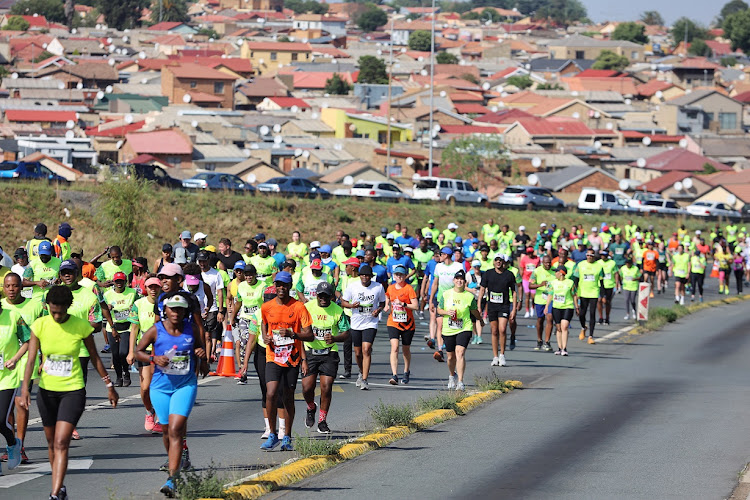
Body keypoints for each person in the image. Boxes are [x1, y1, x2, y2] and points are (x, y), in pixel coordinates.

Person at [19, 285, 118, 500]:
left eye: (60, 312)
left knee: (61, 441)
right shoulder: (40, 325)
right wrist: (26, 388)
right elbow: (31, 359)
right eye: (52, 311)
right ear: (48, 307)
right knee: (51, 442)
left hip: (73, 390)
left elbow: (95, 357)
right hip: (46, 392)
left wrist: (109, 385)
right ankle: (60, 487)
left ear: (68, 307)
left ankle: (54, 493)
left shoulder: (81, 326)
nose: (56, 315)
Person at [135, 293, 209, 497]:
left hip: (184, 386)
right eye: (172, 308)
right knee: (167, 432)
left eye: (180, 309)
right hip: (160, 388)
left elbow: (201, 354)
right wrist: (153, 358)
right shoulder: (155, 330)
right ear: (165, 311)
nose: (176, 312)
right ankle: (174, 463)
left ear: (185, 312)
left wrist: (202, 357)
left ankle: (172, 479)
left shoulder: (192, 329)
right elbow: (137, 352)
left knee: (176, 429)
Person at [260, 272, 314, 451]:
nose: (281, 288)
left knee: (288, 396)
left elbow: (309, 334)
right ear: (274, 286)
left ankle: (287, 437)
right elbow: (264, 322)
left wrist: (293, 334)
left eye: (284, 285)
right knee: (271, 393)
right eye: (278, 285)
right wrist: (265, 337)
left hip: (292, 358)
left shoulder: (299, 307)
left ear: (289, 286)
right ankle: (273, 434)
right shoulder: (267, 306)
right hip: (273, 356)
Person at [2, 272, 43, 464]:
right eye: (8, 286)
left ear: (21, 287)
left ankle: (21, 444)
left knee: (20, 403)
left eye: (15, 286)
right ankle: (12, 445)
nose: (11, 290)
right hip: (4, 367)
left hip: (26, 362)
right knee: (6, 411)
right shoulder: (1, 307)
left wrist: (45, 358)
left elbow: (42, 332)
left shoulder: (34, 306)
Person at [302, 282, 350, 434]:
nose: (323, 298)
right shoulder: (307, 307)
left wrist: (334, 338)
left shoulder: (337, 311)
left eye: (326, 296)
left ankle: (322, 420)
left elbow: (346, 333)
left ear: (331, 296)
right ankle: (311, 407)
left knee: (326, 386)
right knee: (307, 387)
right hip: (310, 351)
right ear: (316, 295)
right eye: (320, 295)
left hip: (329, 353)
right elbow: (298, 327)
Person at [0, 284, 30, 475]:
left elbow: (28, 340)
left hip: (7, 377)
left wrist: (15, 358)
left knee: (0, 421)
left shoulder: (12, 316)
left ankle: (13, 444)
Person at [127, 276, 163, 434]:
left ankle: (162, 416)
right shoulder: (138, 304)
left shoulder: (164, 303)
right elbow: (134, 329)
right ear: (145, 288)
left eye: (156, 287)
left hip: (161, 350)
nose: (153, 290)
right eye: (150, 287)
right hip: (144, 349)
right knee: (145, 387)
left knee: (160, 386)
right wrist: (131, 351)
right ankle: (150, 411)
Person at [437, 270, 483, 390]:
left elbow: (474, 311)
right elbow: (439, 309)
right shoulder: (446, 294)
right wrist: (447, 312)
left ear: (465, 282)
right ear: (453, 281)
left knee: (460, 352)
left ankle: (461, 381)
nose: (459, 281)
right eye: (457, 278)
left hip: (464, 327)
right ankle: (452, 376)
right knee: (451, 356)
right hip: (449, 328)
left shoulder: (469, 296)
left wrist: (480, 320)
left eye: (461, 279)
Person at [341, 265, 385, 390]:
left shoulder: (378, 287)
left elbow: (382, 302)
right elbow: (343, 301)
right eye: (362, 275)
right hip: (356, 323)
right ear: (359, 276)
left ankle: (365, 379)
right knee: (358, 352)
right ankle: (361, 371)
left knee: (366, 349)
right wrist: (351, 306)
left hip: (370, 322)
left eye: (367, 275)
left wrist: (378, 310)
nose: (365, 277)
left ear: (371, 276)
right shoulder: (353, 286)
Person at [478, 255, 516, 367]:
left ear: (503, 262)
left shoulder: (509, 275)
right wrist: (480, 305)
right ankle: (495, 356)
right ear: (493, 262)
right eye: (496, 260)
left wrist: (513, 308)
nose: (498, 262)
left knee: (502, 329)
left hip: (504, 305)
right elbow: (482, 289)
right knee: (494, 330)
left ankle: (502, 355)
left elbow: (514, 292)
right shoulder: (488, 274)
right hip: (492, 306)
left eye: (500, 260)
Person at [229, 264, 265, 384]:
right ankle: (243, 371)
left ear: (255, 275)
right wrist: (232, 317)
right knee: (244, 342)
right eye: (247, 275)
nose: (249, 277)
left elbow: (267, 303)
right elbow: (238, 303)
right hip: (245, 318)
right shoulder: (242, 286)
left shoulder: (263, 286)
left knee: (256, 345)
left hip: (259, 319)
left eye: (251, 275)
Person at [383, 264, 418, 385]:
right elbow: (387, 296)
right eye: (397, 274)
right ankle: (394, 375)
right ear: (394, 275)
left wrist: (403, 304)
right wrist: (387, 305)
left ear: (405, 276)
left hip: (408, 324)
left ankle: (406, 371)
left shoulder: (409, 289)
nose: (399, 276)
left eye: (401, 274)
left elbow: (416, 306)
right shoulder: (391, 288)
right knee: (395, 347)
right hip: (393, 322)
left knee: (405, 349)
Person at [428, 247, 465, 362]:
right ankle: (440, 350)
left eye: (441, 254)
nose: (440, 256)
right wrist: (430, 299)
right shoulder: (439, 266)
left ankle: (452, 348)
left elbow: (462, 282)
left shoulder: (458, 266)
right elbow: (435, 283)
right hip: (441, 299)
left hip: (455, 300)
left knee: (452, 325)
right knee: (440, 325)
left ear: (447, 255)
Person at [103, 272, 138, 387]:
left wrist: (133, 307)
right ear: (113, 282)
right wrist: (107, 308)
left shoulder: (132, 293)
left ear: (125, 282)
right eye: (117, 281)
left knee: (123, 353)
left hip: (127, 327)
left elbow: (139, 304)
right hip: (112, 327)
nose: (119, 283)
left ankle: (126, 373)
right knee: (115, 354)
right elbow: (102, 310)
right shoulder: (107, 294)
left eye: (121, 281)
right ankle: (119, 377)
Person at [196, 251, 225, 359]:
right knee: (199, 334)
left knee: (207, 335)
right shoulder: (196, 273)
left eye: (204, 261)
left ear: (208, 260)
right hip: (197, 307)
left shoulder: (216, 274)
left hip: (211, 308)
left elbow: (220, 292)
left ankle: (207, 358)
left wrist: (220, 311)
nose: (202, 264)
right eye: (200, 261)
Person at [572, 249, 602, 345]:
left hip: (594, 292)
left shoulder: (598, 266)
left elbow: (601, 280)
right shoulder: (580, 265)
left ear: (594, 256)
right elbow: (576, 278)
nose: (589, 257)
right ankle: (583, 327)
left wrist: (602, 293)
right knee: (581, 314)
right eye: (588, 255)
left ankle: (590, 336)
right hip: (583, 292)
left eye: (591, 255)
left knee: (592, 313)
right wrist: (576, 291)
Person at [546, 266, 578, 356]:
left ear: (561, 273)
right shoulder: (552, 283)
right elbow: (550, 295)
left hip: (568, 306)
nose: (555, 274)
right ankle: (559, 348)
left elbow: (574, 294)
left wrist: (577, 306)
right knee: (559, 328)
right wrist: (546, 306)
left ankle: (564, 348)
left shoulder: (570, 282)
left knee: (565, 326)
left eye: (556, 272)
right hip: (556, 307)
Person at [529, 255, 554, 351]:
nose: (548, 264)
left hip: (551, 299)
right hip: (540, 299)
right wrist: (540, 285)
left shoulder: (555, 271)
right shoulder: (536, 271)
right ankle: (539, 340)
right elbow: (530, 285)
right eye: (546, 263)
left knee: (550, 318)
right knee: (540, 320)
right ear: (542, 262)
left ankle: (547, 342)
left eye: (549, 263)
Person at [597, 250, 617, 325]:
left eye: (604, 255)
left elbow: (616, 273)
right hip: (600, 284)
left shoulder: (612, 263)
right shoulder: (598, 263)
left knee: (607, 302)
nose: (603, 257)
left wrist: (616, 284)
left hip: (609, 284)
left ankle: (607, 317)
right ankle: (600, 317)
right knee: (599, 300)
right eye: (602, 255)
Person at [519, 247, 540, 318]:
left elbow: (539, 268)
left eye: (531, 253)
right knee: (527, 295)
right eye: (529, 253)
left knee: (533, 296)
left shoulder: (537, 259)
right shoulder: (524, 259)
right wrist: (521, 278)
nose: (530, 254)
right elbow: (522, 268)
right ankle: (527, 311)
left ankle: (532, 308)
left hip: (533, 279)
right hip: (525, 278)